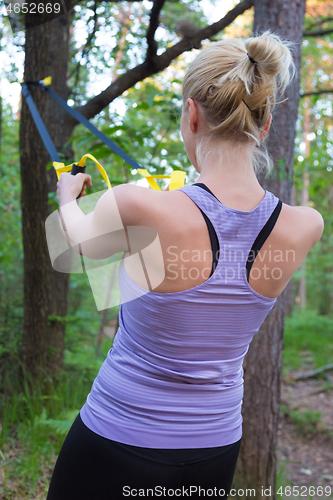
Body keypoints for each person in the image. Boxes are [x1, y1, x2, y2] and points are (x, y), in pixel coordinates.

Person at [47, 31, 324, 500]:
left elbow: (74, 245)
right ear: (266, 124)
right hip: (215, 448)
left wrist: (68, 198)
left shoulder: (142, 205)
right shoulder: (303, 225)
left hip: (117, 437)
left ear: (191, 114)